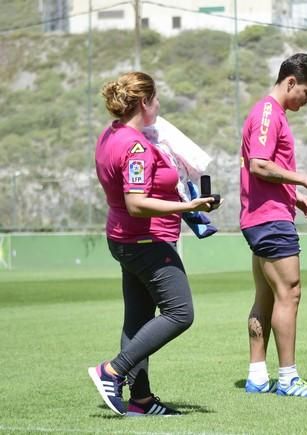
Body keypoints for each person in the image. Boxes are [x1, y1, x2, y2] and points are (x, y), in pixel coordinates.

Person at [88, 72, 216, 416]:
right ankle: (111, 371)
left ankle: (140, 400)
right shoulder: (136, 146)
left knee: (138, 320)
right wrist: (189, 206)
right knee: (180, 313)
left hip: (124, 238)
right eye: (155, 98)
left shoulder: (110, 135)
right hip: (146, 239)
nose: (159, 104)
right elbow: (136, 202)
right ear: (144, 103)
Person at [239, 53, 307, 397]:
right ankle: (289, 378)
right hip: (270, 221)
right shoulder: (267, 113)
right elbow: (259, 165)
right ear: (290, 82)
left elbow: (261, 171)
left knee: (265, 296)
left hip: (265, 215)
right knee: (289, 294)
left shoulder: (271, 114)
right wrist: (302, 179)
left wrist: (293, 197)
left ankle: (257, 376)